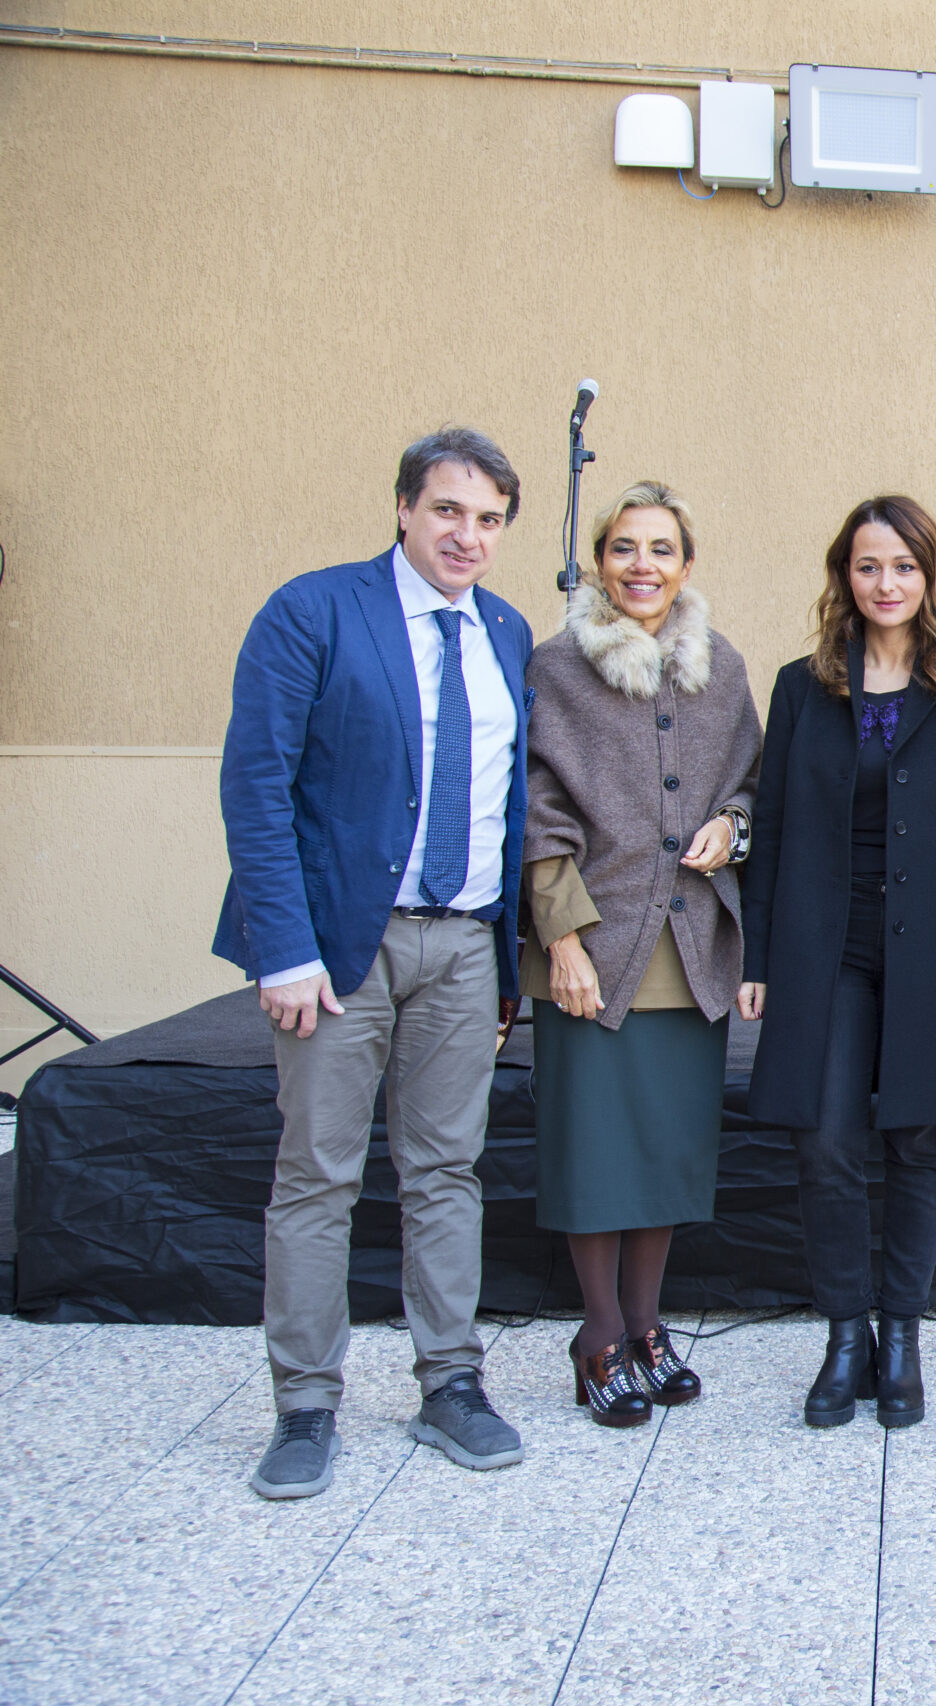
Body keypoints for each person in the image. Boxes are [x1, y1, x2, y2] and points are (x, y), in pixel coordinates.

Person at [215, 426, 534, 1498]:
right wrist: (285, 948)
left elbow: (507, 809)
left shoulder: (505, 631)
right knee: (318, 1175)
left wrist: (504, 960)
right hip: (340, 946)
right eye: (449, 510)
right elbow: (255, 787)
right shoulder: (314, 610)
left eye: (489, 519)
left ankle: (451, 1383)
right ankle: (304, 1404)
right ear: (404, 508)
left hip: (461, 943)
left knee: (447, 1172)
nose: (468, 536)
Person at [740, 495, 936, 1431]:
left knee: (918, 1140)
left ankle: (900, 1333)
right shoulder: (801, 685)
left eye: (903, 566)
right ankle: (843, 1335)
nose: (886, 583)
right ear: (844, 577)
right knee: (823, 1139)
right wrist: (758, 954)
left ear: (928, 574)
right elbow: (772, 826)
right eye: (869, 566)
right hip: (826, 948)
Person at [520, 481, 761, 1427]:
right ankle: (599, 1335)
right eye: (624, 548)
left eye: (661, 549)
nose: (642, 566)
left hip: (688, 947)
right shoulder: (556, 665)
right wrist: (562, 937)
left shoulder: (724, 667)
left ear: (687, 564)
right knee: (594, 1153)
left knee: (662, 1151)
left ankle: (650, 1328)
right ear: (598, 560)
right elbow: (533, 811)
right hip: (590, 943)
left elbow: (752, 784)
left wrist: (731, 830)